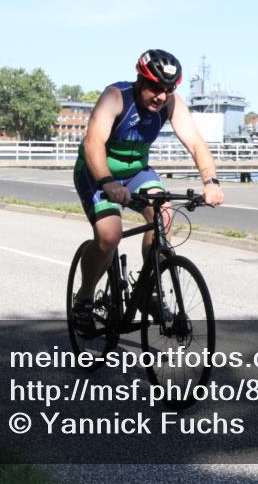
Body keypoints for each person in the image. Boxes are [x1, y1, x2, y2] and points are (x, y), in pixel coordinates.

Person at [71, 49, 224, 334]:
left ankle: (149, 291)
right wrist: (107, 181)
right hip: (97, 171)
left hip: (136, 171)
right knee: (109, 235)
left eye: (168, 90)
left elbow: (195, 143)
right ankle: (85, 298)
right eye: (155, 87)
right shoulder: (116, 97)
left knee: (163, 216)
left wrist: (211, 182)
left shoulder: (171, 104)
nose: (160, 96)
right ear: (140, 79)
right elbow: (93, 141)